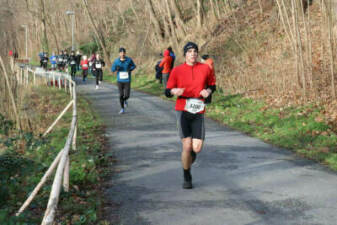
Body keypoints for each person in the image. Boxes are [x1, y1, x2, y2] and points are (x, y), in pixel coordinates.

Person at [165, 42, 216, 189]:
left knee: (197, 148)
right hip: (182, 109)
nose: (193, 53)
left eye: (195, 51)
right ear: (185, 54)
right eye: (190, 51)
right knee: (187, 147)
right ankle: (187, 174)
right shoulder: (177, 70)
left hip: (198, 110)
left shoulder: (205, 68)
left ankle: (187, 160)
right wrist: (174, 92)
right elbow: (167, 91)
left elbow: (212, 85)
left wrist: (208, 91)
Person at [111, 47, 136, 114]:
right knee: (121, 95)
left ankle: (125, 100)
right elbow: (112, 69)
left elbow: (134, 66)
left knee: (127, 95)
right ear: (119, 53)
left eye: (123, 52)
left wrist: (130, 69)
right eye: (121, 53)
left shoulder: (129, 60)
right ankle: (122, 108)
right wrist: (116, 68)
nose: (122, 54)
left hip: (127, 80)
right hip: (120, 80)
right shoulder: (116, 61)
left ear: (125, 53)